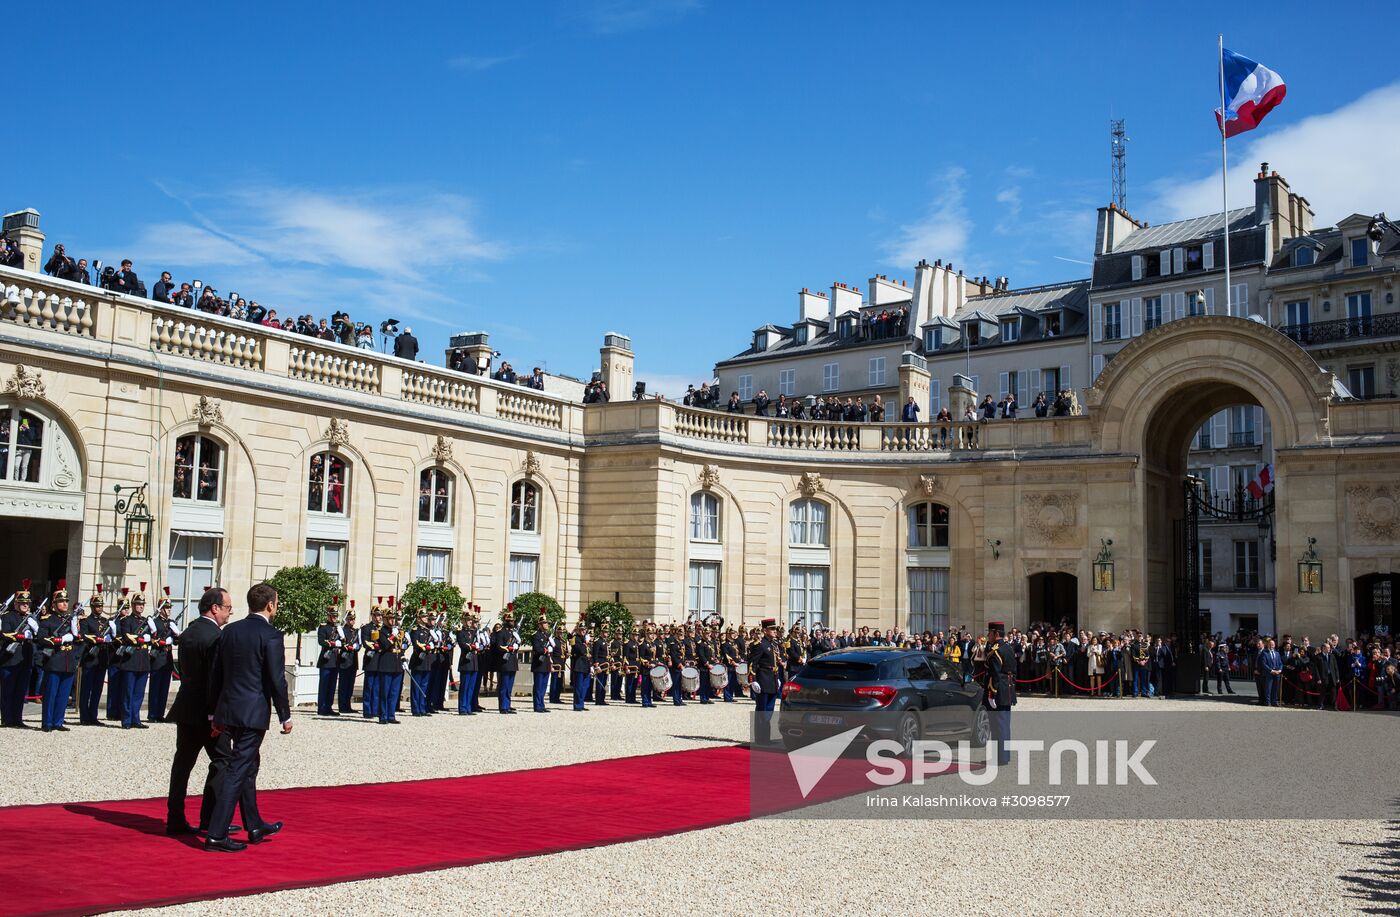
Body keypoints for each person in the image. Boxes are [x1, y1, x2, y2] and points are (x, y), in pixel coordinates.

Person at [204, 583, 292, 853]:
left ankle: (253, 824)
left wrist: (214, 712)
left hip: (229, 708)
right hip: (253, 711)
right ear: (270, 605)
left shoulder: (230, 630)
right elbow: (277, 680)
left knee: (249, 766)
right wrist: (284, 715)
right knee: (238, 768)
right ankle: (217, 834)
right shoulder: (271, 635)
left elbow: (216, 674)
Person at [166, 586, 235, 838]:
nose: (229, 613)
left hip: (186, 706)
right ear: (214, 608)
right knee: (222, 762)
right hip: (207, 711)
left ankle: (175, 817)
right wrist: (217, 714)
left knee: (182, 764)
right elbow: (216, 679)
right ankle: (211, 819)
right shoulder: (216, 637)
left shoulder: (188, 632)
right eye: (227, 608)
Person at [36, 580, 78, 732]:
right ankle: (47, 723)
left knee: (63, 695)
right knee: (51, 694)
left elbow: (78, 639)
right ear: (54, 604)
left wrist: (75, 630)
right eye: (61, 601)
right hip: (54, 660)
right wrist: (59, 639)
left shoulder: (69, 619)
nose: (65, 604)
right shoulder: (49, 620)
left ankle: (58, 721)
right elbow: (41, 638)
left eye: (66, 601)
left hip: (68, 661)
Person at [116, 585, 154, 729]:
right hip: (130, 660)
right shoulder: (126, 620)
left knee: (139, 693)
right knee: (128, 692)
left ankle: (136, 719)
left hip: (143, 660)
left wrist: (152, 630)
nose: (140, 607)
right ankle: (126, 720)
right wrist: (141, 637)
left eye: (142, 604)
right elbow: (126, 637)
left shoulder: (146, 621)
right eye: (138, 604)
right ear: (132, 605)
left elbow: (153, 637)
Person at [0, 580, 35, 728]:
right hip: (10, 659)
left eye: (27, 603)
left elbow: (39, 636)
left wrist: (34, 629)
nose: (25, 605)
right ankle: (7, 719)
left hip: (25, 658)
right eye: (22, 603)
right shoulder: (8, 617)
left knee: (20, 692)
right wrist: (21, 636)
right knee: (8, 691)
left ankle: (18, 718)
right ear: (15, 604)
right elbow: (5, 634)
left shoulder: (31, 618)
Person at [77, 585, 111, 725]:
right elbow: (84, 636)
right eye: (97, 606)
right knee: (86, 689)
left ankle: (93, 715)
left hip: (101, 658)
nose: (99, 608)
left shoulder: (106, 621)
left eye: (101, 605)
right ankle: (84, 716)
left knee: (97, 689)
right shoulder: (86, 621)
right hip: (90, 658)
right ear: (92, 606)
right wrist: (97, 638)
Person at [983, 622, 1016, 765]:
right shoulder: (1008, 648)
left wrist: (992, 693)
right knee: (1004, 725)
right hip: (1008, 689)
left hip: (998, 691)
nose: (988, 636)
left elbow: (995, 674)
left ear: (996, 634)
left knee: (997, 725)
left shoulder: (995, 650)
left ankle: (999, 758)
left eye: (989, 633)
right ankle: (1004, 756)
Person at [147, 588, 180, 721]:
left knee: (164, 688)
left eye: (169, 608)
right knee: (155, 688)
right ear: (161, 609)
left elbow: (177, 641)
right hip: (157, 657)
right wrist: (161, 641)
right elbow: (152, 638)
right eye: (166, 608)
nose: (168, 610)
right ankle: (153, 714)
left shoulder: (171, 623)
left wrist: (176, 635)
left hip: (167, 659)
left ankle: (160, 714)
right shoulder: (155, 622)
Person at [315, 602, 343, 716]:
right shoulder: (323, 628)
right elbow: (321, 641)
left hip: (335, 659)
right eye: (333, 616)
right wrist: (333, 643)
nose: (335, 618)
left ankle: (329, 707)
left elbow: (343, 642)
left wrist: (342, 637)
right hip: (326, 659)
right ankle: (322, 708)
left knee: (332, 686)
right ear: (329, 616)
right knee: (324, 685)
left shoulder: (338, 628)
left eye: (336, 616)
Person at [492, 610, 520, 713]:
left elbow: (516, 645)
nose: (512, 622)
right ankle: (503, 707)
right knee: (503, 686)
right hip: (504, 662)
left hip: (512, 662)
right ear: (505, 621)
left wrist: (517, 645)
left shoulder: (513, 633)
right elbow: (499, 647)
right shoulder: (501, 633)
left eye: (513, 620)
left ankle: (507, 705)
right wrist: (510, 648)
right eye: (510, 620)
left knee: (509, 687)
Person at [337, 604, 360, 713]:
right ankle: (342, 706)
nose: (352, 621)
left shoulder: (355, 631)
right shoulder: (343, 630)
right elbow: (340, 643)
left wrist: (356, 647)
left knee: (350, 685)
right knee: (343, 685)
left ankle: (348, 705)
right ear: (346, 619)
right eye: (350, 619)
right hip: (344, 660)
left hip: (353, 660)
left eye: (353, 619)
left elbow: (358, 645)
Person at [530, 618, 551, 713]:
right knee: (538, 686)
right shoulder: (536, 635)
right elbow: (537, 649)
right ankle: (537, 706)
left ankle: (542, 705)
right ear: (540, 624)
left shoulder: (547, 635)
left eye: (546, 623)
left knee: (543, 686)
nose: (547, 624)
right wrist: (545, 650)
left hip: (546, 663)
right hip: (539, 663)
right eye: (545, 623)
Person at [570, 621, 591, 711]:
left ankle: (581, 703)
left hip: (586, 665)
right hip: (578, 665)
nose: (583, 631)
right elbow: (580, 650)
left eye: (584, 629)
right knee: (578, 687)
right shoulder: (575, 639)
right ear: (578, 630)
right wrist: (586, 643)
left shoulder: (585, 639)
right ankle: (577, 705)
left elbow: (590, 652)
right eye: (581, 629)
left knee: (585, 686)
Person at [1258, 637, 1283, 707]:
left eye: (1273, 644)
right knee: (1268, 689)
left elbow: (1280, 663)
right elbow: (1263, 664)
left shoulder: (1277, 653)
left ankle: (1274, 701)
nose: (1272, 645)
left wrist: (1279, 670)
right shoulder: (1264, 653)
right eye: (1270, 644)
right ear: (1268, 645)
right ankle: (1267, 702)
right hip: (1269, 673)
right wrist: (1271, 670)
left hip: (1277, 673)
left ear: (1275, 645)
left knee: (1275, 689)